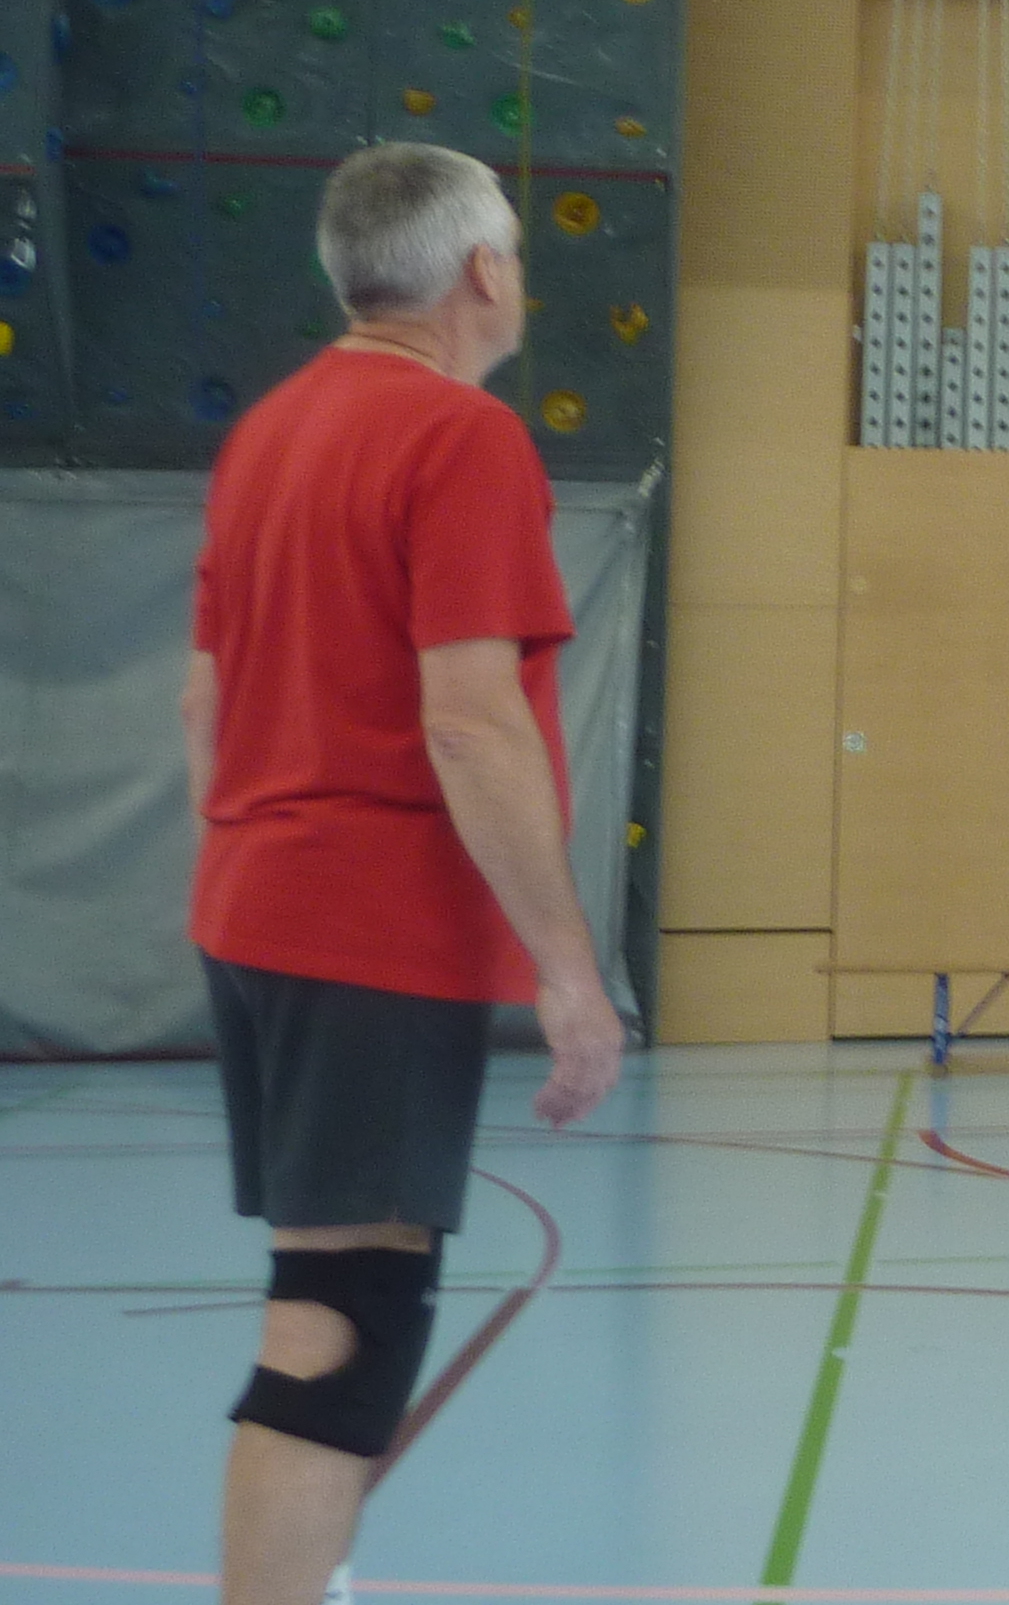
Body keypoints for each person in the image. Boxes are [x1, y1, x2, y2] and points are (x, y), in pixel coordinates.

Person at [187, 143, 625, 1605]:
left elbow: (202, 702)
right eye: (519, 256)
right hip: (366, 930)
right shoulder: (458, 438)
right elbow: (471, 719)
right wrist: (570, 973)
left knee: (334, 1301)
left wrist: (257, 869)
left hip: (258, 912)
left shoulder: (269, 435)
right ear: (483, 270)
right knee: (343, 1323)